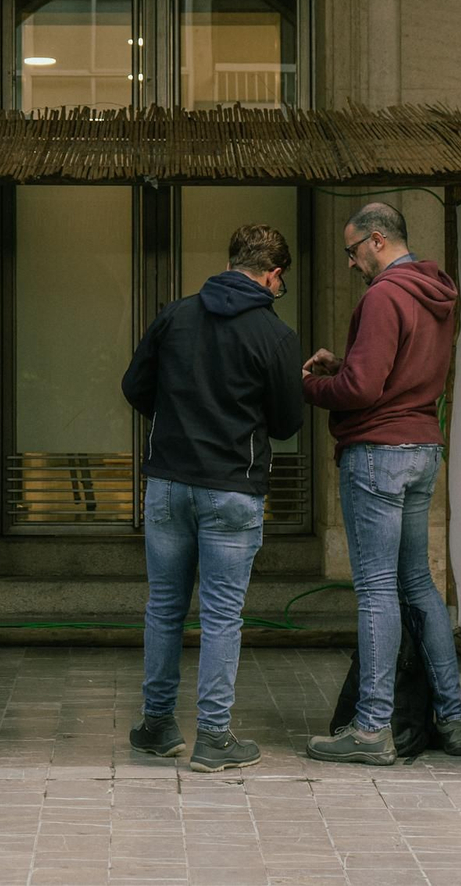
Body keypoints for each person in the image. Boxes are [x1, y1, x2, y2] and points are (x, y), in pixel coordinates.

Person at [121, 223, 304, 772]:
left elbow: (134, 387)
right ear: (273, 275)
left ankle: (157, 726)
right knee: (222, 616)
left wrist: (178, 419)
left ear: (231, 263)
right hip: (232, 489)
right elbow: (288, 423)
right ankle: (214, 739)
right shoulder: (275, 336)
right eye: (281, 283)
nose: (278, 292)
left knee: (164, 609)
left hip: (168, 484)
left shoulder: (175, 315)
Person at [301, 201, 461, 764]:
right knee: (419, 585)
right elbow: (393, 374)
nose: (351, 264)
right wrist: (345, 367)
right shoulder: (439, 293)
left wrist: (311, 385)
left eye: (353, 251)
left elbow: (362, 391)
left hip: (377, 453)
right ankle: (452, 720)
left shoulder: (382, 296)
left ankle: (372, 728)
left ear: (377, 240)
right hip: (423, 446)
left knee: (376, 590)